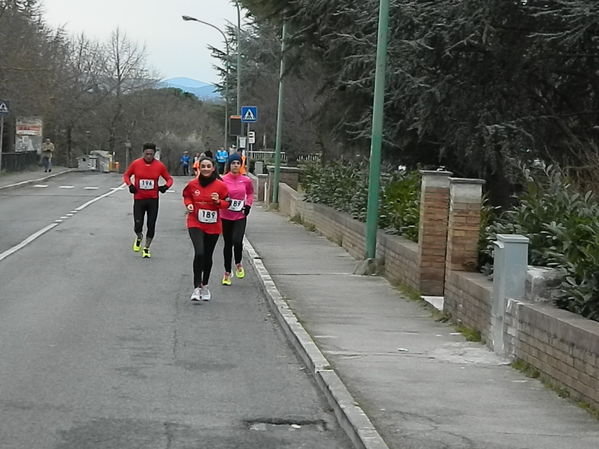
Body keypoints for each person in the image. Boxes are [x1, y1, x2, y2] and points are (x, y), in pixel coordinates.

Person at [182, 157, 230, 302]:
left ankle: (205, 285)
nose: (206, 169)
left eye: (208, 166)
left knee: (208, 256)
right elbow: (187, 196)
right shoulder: (193, 184)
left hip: (213, 225)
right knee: (200, 252)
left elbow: (227, 203)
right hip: (195, 222)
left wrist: (218, 202)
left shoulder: (221, 186)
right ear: (199, 168)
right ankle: (196, 287)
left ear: (213, 168)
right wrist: (189, 204)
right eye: (203, 166)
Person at [123, 143, 173, 258]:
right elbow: (126, 175)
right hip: (139, 199)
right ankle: (139, 237)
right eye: (147, 154)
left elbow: (169, 179)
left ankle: (146, 248)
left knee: (151, 225)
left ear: (154, 154)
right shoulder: (136, 164)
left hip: (153, 200)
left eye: (151, 154)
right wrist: (130, 185)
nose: (149, 156)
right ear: (143, 153)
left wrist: (165, 187)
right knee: (138, 224)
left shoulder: (159, 166)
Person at [220, 153, 254, 285]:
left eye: (238, 163)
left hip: (240, 215)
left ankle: (238, 262)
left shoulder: (245, 180)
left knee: (237, 241)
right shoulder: (223, 180)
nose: (235, 165)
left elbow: (250, 193)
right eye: (233, 163)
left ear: (241, 165)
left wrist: (248, 205)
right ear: (229, 165)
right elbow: (218, 194)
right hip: (225, 215)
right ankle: (227, 273)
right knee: (228, 244)